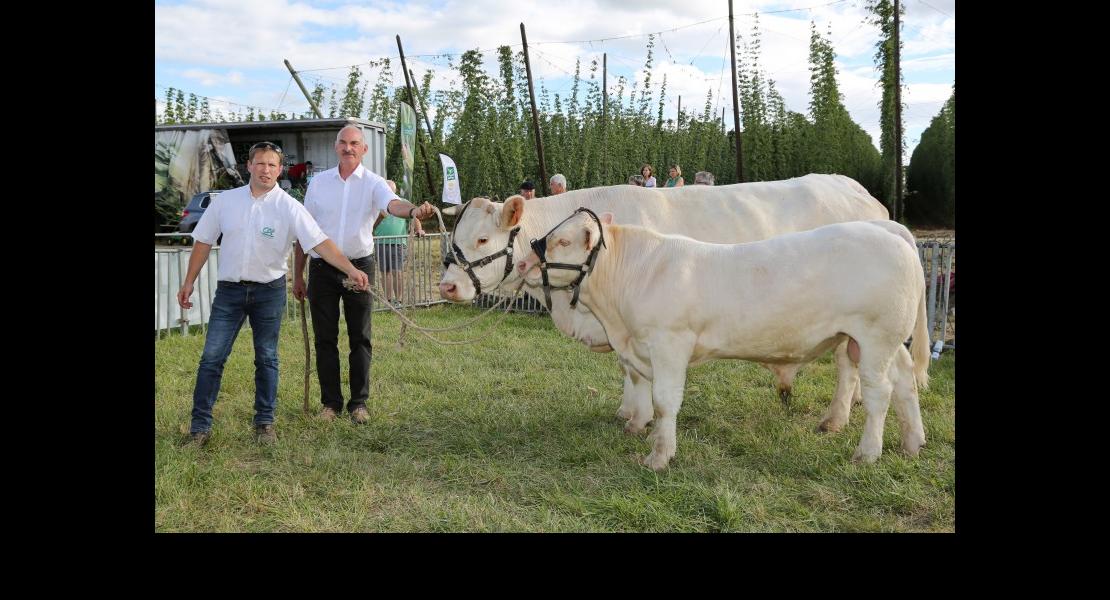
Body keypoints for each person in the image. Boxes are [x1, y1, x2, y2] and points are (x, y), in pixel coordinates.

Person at [177, 142, 369, 447]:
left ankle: (264, 423)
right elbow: (202, 242)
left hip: (269, 292)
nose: (266, 170)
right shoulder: (226, 202)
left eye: (272, 165)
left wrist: (350, 269)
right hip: (229, 292)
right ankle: (200, 428)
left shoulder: (289, 206)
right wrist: (188, 281)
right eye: (260, 163)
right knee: (211, 358)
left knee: (266, 359)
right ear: (249, 166)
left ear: (280, 171)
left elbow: (320, 242)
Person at [292, 125, 435, 424]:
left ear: (364, 149)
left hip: (360, 268)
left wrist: (412, 212)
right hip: (320, 269)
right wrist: (298, 276)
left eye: (354, 143)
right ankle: (330, 405)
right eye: (343, 143)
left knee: (361, 338)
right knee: (325, 339)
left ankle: (359, 405)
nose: (348, 148)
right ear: (336, 147)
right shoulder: (318, 183)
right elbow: (304, 231)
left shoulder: (374, 183)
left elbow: (392, 204)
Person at [373, 180, 425, 306]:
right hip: (380, 242)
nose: (389, 193)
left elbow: (415, 217)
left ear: (395, 191)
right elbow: (371, 223)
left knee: (397, 272)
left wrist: (419, 229)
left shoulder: (404, 203)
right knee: (385, 272)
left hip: (398, 243)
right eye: (386, 190)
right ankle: (388, 300)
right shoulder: (377, 203)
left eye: (391, 191)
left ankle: (399, 300)